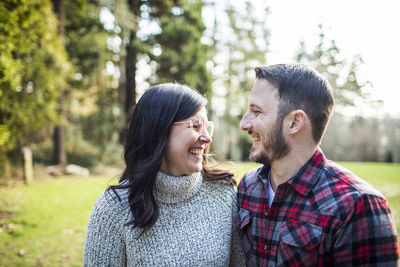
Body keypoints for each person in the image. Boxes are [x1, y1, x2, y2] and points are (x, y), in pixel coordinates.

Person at [236, 63, 399, 266]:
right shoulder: (247, 188)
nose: (244, 123)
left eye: (257, 112)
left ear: (295, 122)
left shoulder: (358, 205)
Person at [84, 83, 245, 266]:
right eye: (195, 126)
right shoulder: (113, 208)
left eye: (207, 126)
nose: (207, 138)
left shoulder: (223, 195)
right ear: (158, 130)